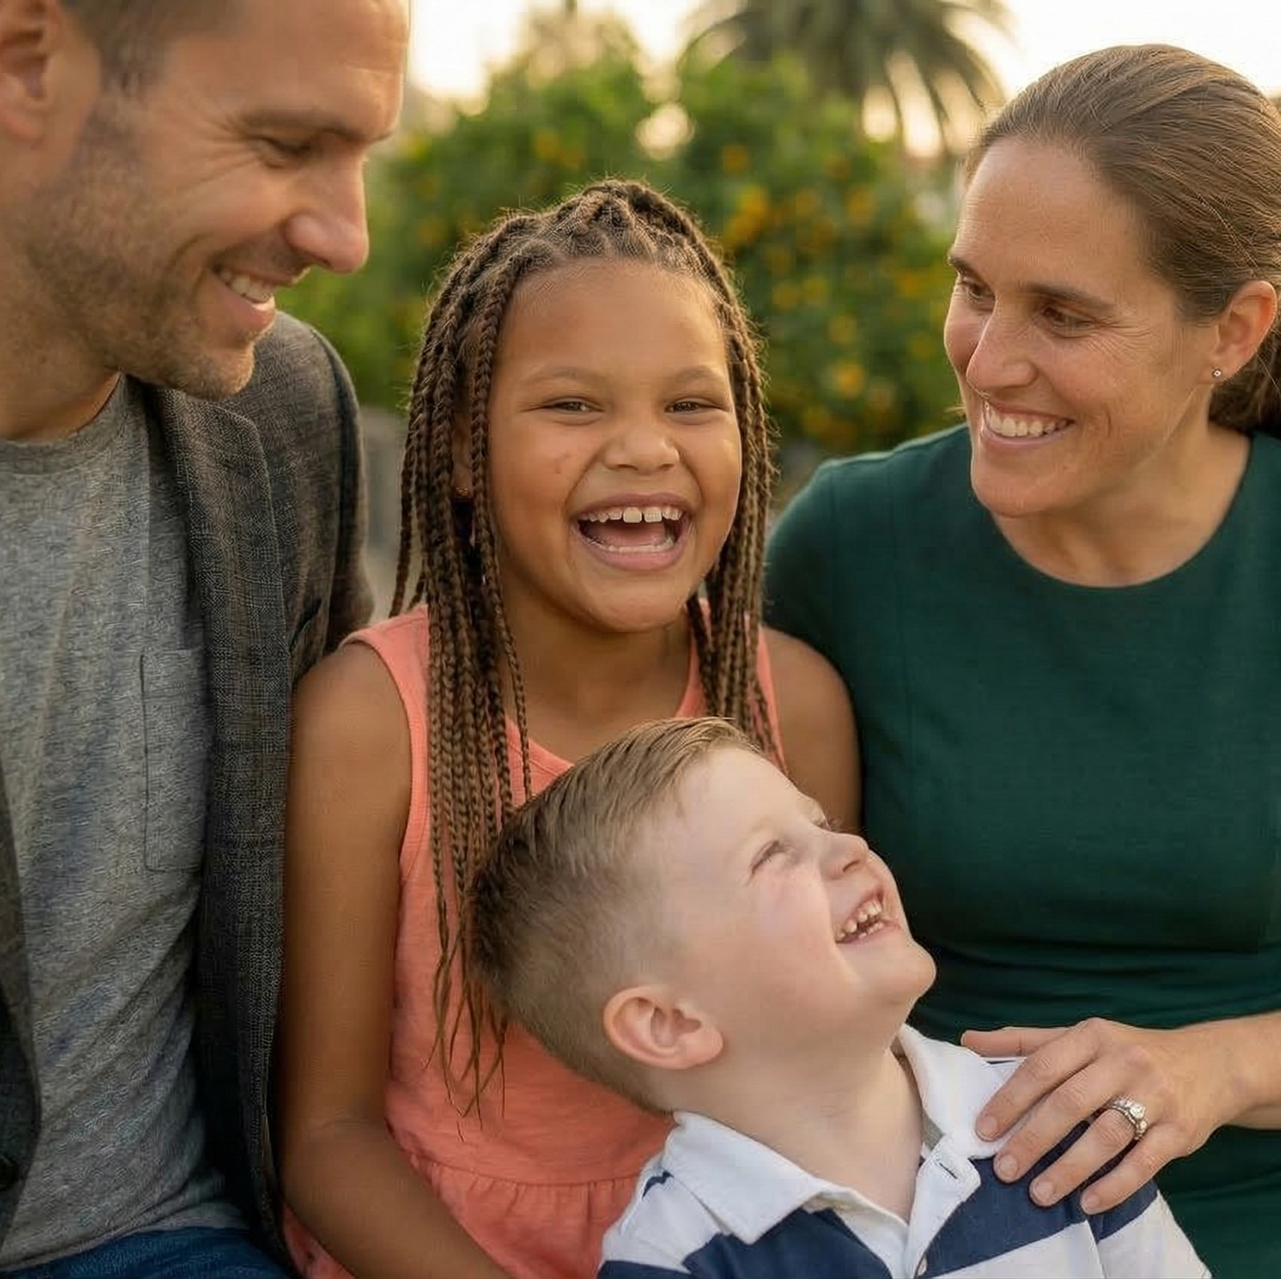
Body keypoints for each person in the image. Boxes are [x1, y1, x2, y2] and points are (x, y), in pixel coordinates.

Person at [764, 42, 1281, 1279]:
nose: (989, 358)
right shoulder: (853, 542)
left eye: (1063, 313)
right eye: (973, 287)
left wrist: (1207, 1066)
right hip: (956, 1173)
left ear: (1233, 329)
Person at [0, 0, 406, 1274]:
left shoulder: (288, 415)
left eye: (363, 157)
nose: (347, 238)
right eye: (287, 143)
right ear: (25, 56)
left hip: (183, 1234)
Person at [275, 180, 860, 1279]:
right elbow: (324, 1136)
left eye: (692, 405)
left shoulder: (796, 709)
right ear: (456, 449)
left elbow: (828, 1071)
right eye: (574, 406)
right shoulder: (369, 724)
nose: (644, 449)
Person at [468, 715, 1212, 1279]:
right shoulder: (678, 1252)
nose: (849, 846)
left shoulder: (1048, 1118)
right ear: (669, 1021)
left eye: (820, 823)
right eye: (772, 854)